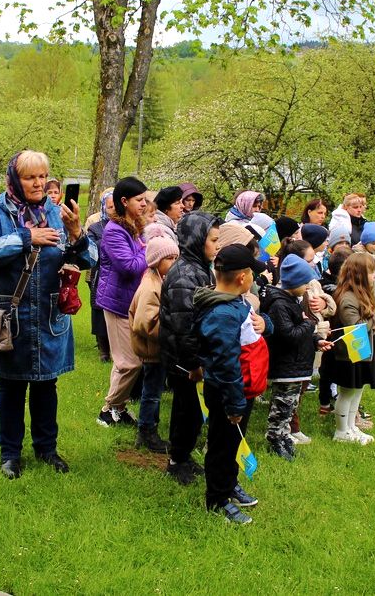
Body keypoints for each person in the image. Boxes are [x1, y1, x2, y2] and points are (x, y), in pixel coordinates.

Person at [0, 150, 91, 479]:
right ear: (15, 179)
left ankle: (46, 449)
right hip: (11, 316)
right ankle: (10, 453)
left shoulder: (57, 212)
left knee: (46, 385)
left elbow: (90, 259)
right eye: (30, 177)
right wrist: (27, 237)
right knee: (11, 386)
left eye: (42, 176)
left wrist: (77, 233)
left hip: (48, 315)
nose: (38, 183)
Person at [195, 244, 270, 524]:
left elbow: (253, 328)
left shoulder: (236, 303)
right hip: (229, 392)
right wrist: (235, 403)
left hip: (242, 389)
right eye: (252, 273)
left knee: (233, 441)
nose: (253, 278)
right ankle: (217, 499)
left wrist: (266, 323)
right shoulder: (222, 314)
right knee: (222, 446)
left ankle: (229, 484)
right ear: (242, 277)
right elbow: (226, 365)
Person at [160, 212, 220, 485]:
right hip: (183, 358)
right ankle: (177, 461)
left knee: (192, 410)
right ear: (196, 241)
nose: (217, 246)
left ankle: (182, 455)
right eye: (213, 240)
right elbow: (184, 327)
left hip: (192, 355)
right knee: (186, 411)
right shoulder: (185, 276)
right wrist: (194, 364)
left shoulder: (200, 268)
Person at [262, 254, 334, 460]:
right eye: (304, 283)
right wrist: (309, 324)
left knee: (291, 405)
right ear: (293, 282)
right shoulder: (279, 305)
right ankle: (275, 439)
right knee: (282, 405)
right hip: (286, 366)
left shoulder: (293, 301)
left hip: (297, 365)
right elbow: (289, 335)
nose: (307, 287)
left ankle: (285, 436)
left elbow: (300, 333)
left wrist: (316, 341)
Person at [96, 177, 149, 426]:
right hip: (117, 302)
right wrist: (149, 250)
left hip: (131, 300)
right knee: (129, 362)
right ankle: (108, 409)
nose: (144, 204)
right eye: (140, 200)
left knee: (129, 361)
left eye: (145, 199)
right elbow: (129, 267)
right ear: (124, 201)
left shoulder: (133, 226)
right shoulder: (114, 231)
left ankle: (118, 407)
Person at [323, 251, 375, 445]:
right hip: (349, 354)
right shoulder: (347, 298)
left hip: (363, 351)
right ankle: (341, 431)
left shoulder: (363, 294)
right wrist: (373, 317)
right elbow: (356, 327)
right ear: (359, 274)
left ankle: (351, 426)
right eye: (371, 272)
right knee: (347, 392)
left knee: (357, 390)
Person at [129, 236, 178, 453]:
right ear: (156, 261)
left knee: (155, 389)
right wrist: (171, 329)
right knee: (151, 392)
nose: (174, 262)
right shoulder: (150, 286)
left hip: (159, 349)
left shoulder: (160, 280)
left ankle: (150, 427)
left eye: (176, 257)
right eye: (169, 258)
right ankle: (147, 431)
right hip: (153, 350)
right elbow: (145, 323)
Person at [87, 189, 115, 362]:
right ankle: (103, 350)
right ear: (104, 207)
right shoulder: (95, 227)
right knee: (100, 312)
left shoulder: (127, 225)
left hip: (119, 274)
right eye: (110, 207)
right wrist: (111, 239)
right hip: (101, 274)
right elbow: (91, 248)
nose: (114, 210)